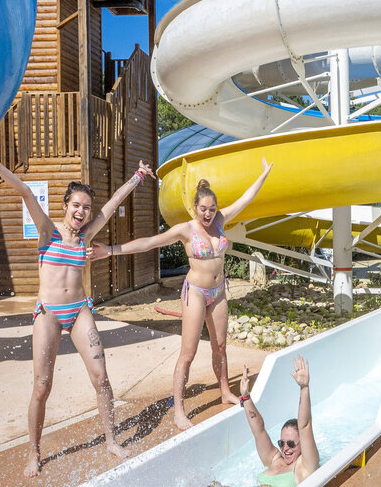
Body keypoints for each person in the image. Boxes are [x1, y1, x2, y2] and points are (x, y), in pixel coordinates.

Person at [0, 140, 155, 477]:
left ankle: (110, 440)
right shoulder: (48, 231)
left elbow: (115, 202)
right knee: (42, 385)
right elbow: (26, 194)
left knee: (101, 378)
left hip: (79, 310)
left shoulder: (86, 237)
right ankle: (33, 452)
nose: (82, 212)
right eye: (76, 205)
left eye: (87, 208)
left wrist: (138, 176)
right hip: (48, 313)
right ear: (65, 206)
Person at [92, 162, 272, 430]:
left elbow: (246, 199)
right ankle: (179, 409)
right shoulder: (185, 230)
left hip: (219, 291)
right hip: (196, 292)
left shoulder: (221, 220)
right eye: (203, 209)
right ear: (195, 208)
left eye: (212, 209)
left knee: (220, 345)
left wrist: (264, 175)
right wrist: (111, 250)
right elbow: (149, 242)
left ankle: (224, 391)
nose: (208, 214)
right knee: (188, 352)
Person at [167, 356, 320, 487]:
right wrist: (245, 397)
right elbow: (260, 431)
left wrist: (304, 388)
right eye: (282, 443)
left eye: (291, 444)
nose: (286, 448)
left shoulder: (304, 467)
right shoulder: (275, 459)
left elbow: (305, 425)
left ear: (302, 444)